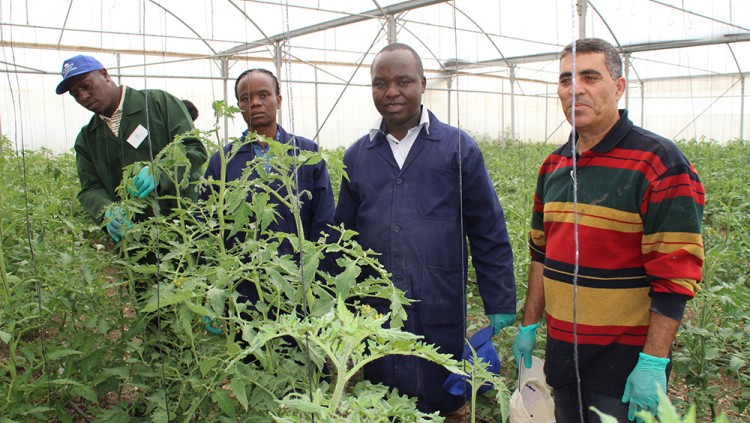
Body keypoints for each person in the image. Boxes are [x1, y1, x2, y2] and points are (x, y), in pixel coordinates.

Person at [512, 38, 705, 423]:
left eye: (589, 77)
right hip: (564, 358)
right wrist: (530, 324)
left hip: (625, 367)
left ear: (618, 86)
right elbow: (541, 254)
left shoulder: (658, 162)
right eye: (566, 79)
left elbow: (675, 276)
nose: (575, 89)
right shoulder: (553, 166)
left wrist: (652, 362)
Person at [334, 43, 516, 420]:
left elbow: (487, 228)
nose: (392, 92)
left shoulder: (456, 148)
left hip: (439, 298)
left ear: (422, 83)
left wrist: (499, 298)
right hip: (377, 305)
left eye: (403, 81)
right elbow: (343, 238)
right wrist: (340, 304)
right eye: (380, 84)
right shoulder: (357, 156)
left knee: (446, 394)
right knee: (385, 393)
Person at [201, 68, 335, 310]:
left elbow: (324, 219)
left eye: (264, 95)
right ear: (238, 106)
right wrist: (214, 293)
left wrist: (320, 276)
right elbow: (208, 227)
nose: (254, 103)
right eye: (245, 98)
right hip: (243, 287)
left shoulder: (306, 152)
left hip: (299, 283)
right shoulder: (222, 161)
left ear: (278, 100)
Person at [56, 54, 207, 243]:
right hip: (135, 239)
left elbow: (193, 149)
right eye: (75, 94)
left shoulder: (158, 103)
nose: (83, 96)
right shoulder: (87, 139)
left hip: (186, 229)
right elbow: (90, 188)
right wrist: (107, 210)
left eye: (86, 85)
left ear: (104, 75)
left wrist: (162, 170)